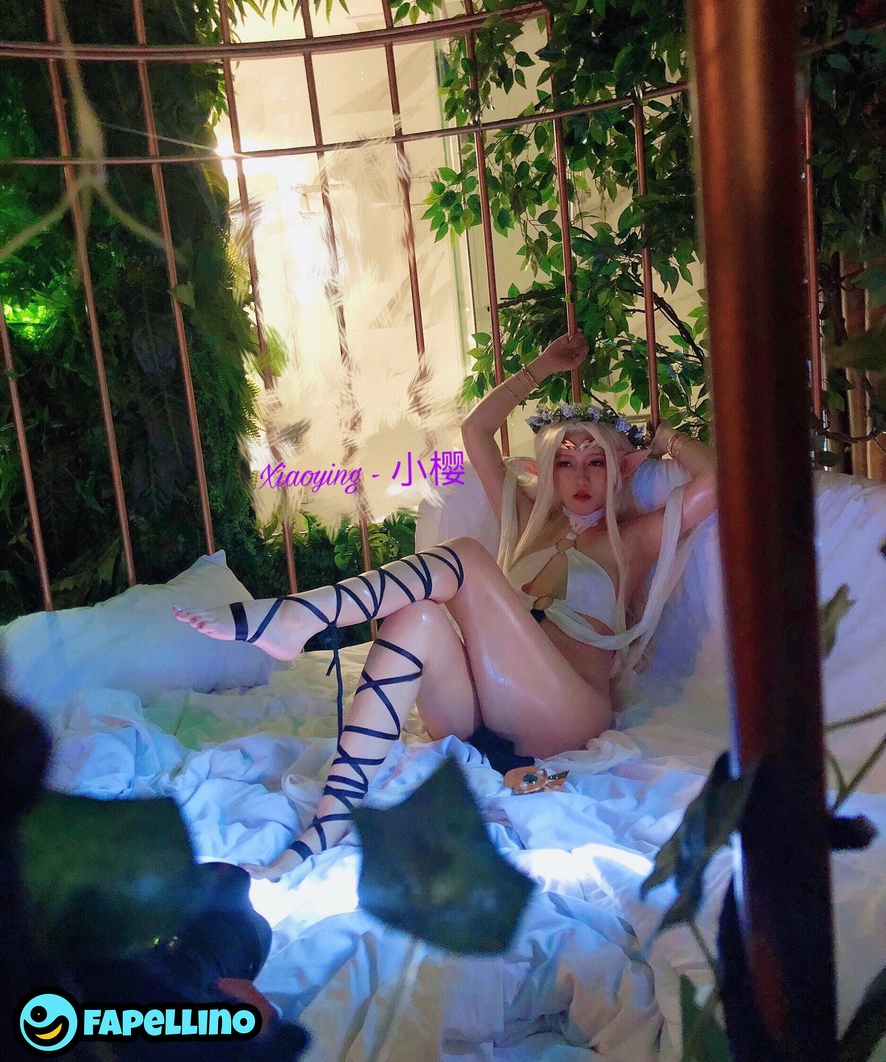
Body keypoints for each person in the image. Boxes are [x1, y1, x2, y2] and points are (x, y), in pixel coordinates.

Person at [174, 331, 717, 881]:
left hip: (563, 716)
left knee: (467, 557)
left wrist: (661, 437)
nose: (579, 477)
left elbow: (717, 480)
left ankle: (301, 616)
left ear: (622, 469)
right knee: (416, 615)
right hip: (478, 711)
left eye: (596, 462)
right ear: (548, 468)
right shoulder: (527, 520)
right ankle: (327, 825)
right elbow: (476, 431)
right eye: (565, 462)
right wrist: (542, 366)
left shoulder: (635, 539)